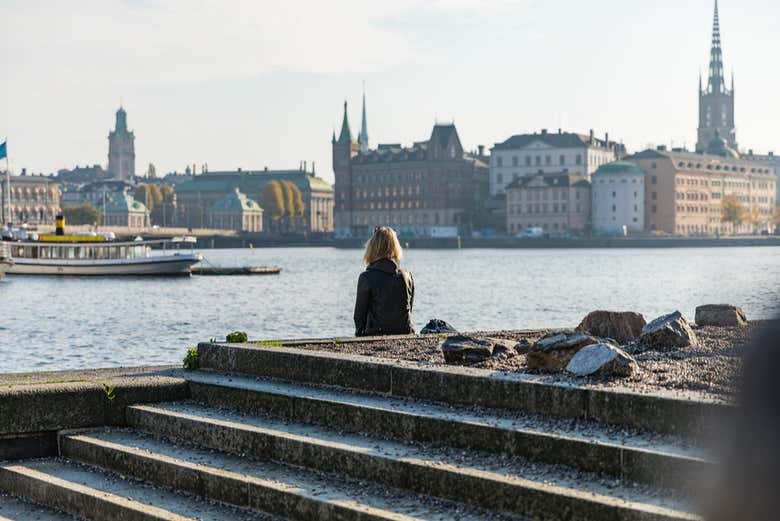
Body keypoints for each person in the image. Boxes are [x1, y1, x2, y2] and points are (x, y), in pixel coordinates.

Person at [354, 226, 415, 336]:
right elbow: (408, 310)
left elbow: (359, 318)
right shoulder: (407, 276)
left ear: (372, 247)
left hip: (376, 333)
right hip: (405, 333)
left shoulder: (366, 278)